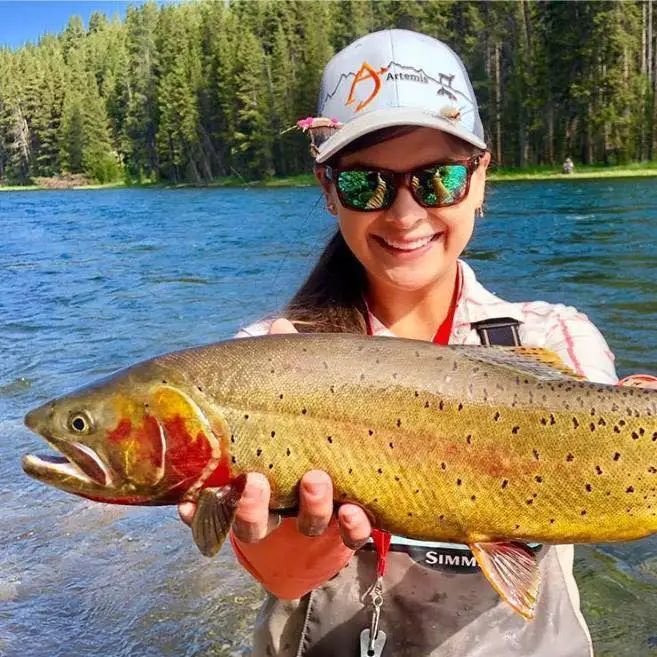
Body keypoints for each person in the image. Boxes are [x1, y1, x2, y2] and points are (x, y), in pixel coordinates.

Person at [179, 29, 618, 656]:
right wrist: (321, 532)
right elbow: (282, 575)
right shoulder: (262, 362)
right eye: (367, 185)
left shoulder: (559, 337)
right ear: (329, 192)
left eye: (437, 179)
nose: (406, 214)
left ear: (481, 178)